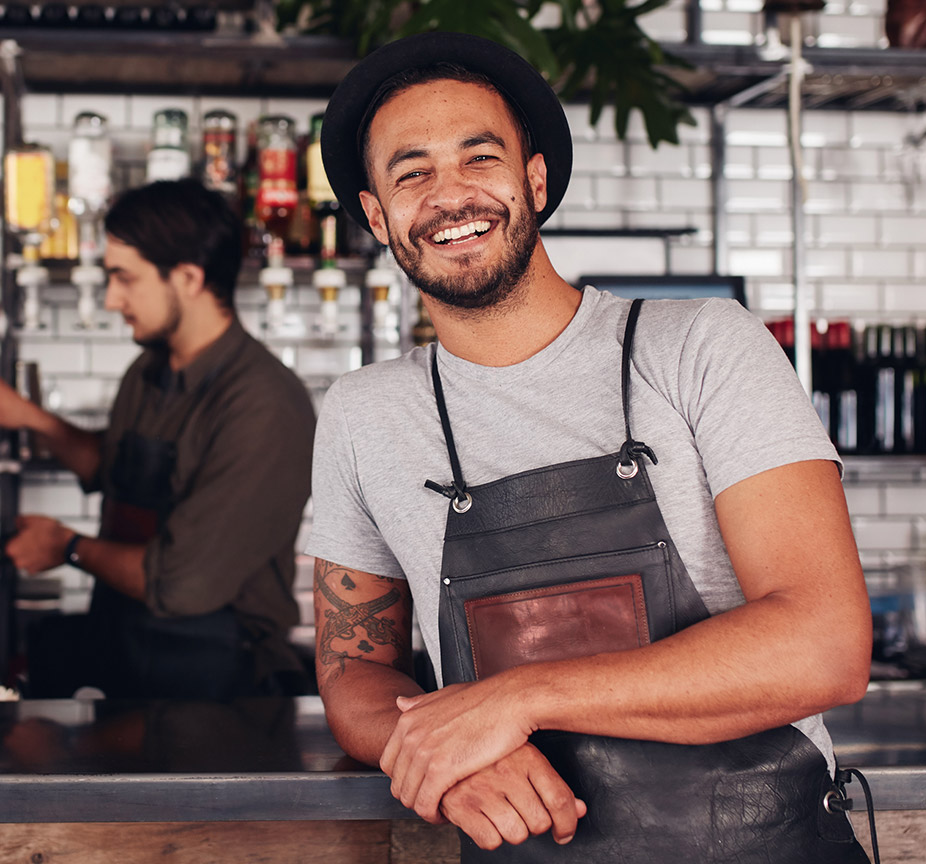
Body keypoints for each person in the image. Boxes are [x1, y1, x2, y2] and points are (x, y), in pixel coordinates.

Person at [306, 32, 874, 862]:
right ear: (376, 214)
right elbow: (354, 672)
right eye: (412, 172)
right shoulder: (364, 414)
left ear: (533, 179)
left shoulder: (701, 347)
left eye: (479, 157)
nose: (450, 195)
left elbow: (825, 645)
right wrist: (436, 749)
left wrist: (513, 702)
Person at [0, 179, 316, 701]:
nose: (109, 298)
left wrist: (68, 547)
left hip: (217, 681)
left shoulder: (264, 404)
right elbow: (112, 467)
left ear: (189, 278)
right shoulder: (149, 370)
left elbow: (182, 583)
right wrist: (29, 417)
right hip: (130, 650)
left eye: (124, 278)